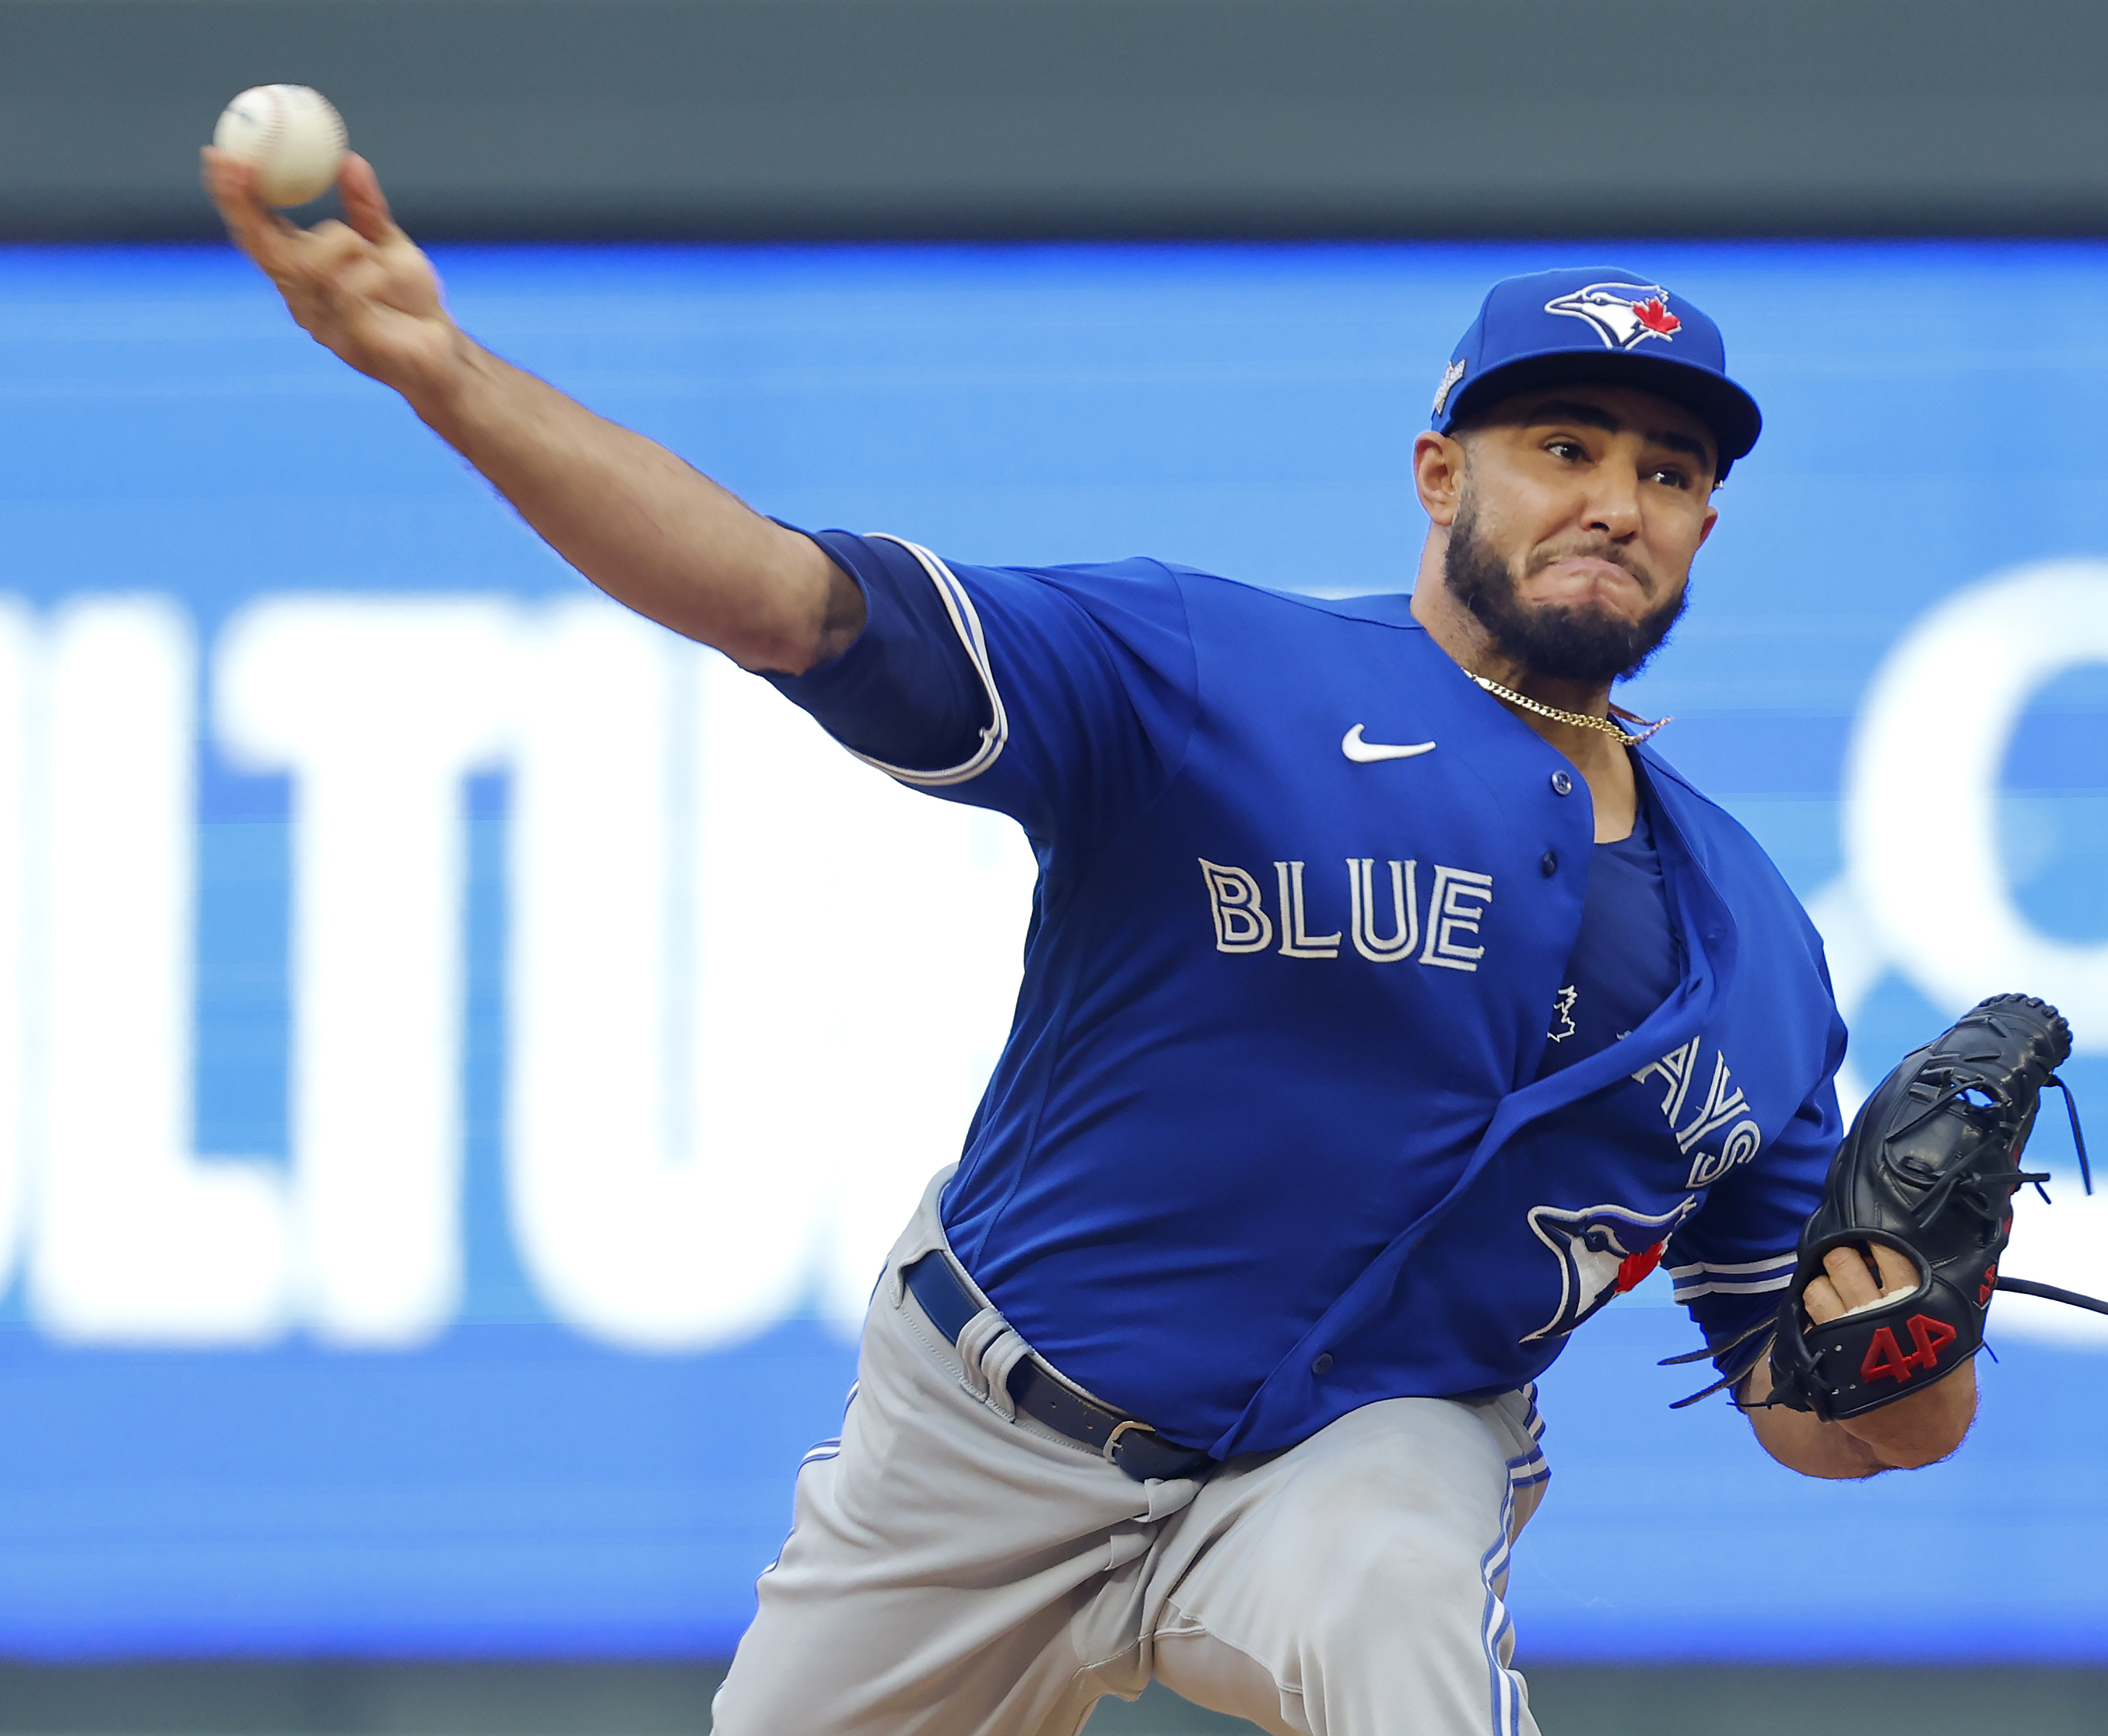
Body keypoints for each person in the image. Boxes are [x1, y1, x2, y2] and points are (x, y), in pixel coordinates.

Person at [206, 150, 1977, 1736]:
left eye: (1665, 469)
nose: (1614, 497)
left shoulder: (1756, 953)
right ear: (1442, 472)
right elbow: (783, 600)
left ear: (1704, 526)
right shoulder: (1221, 681)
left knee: (1397, 1569)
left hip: (1357, 1469)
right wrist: (440, 371)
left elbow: (1822, 1411)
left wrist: (1916, 1363)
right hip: (986, 1444)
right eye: (1561, 447)